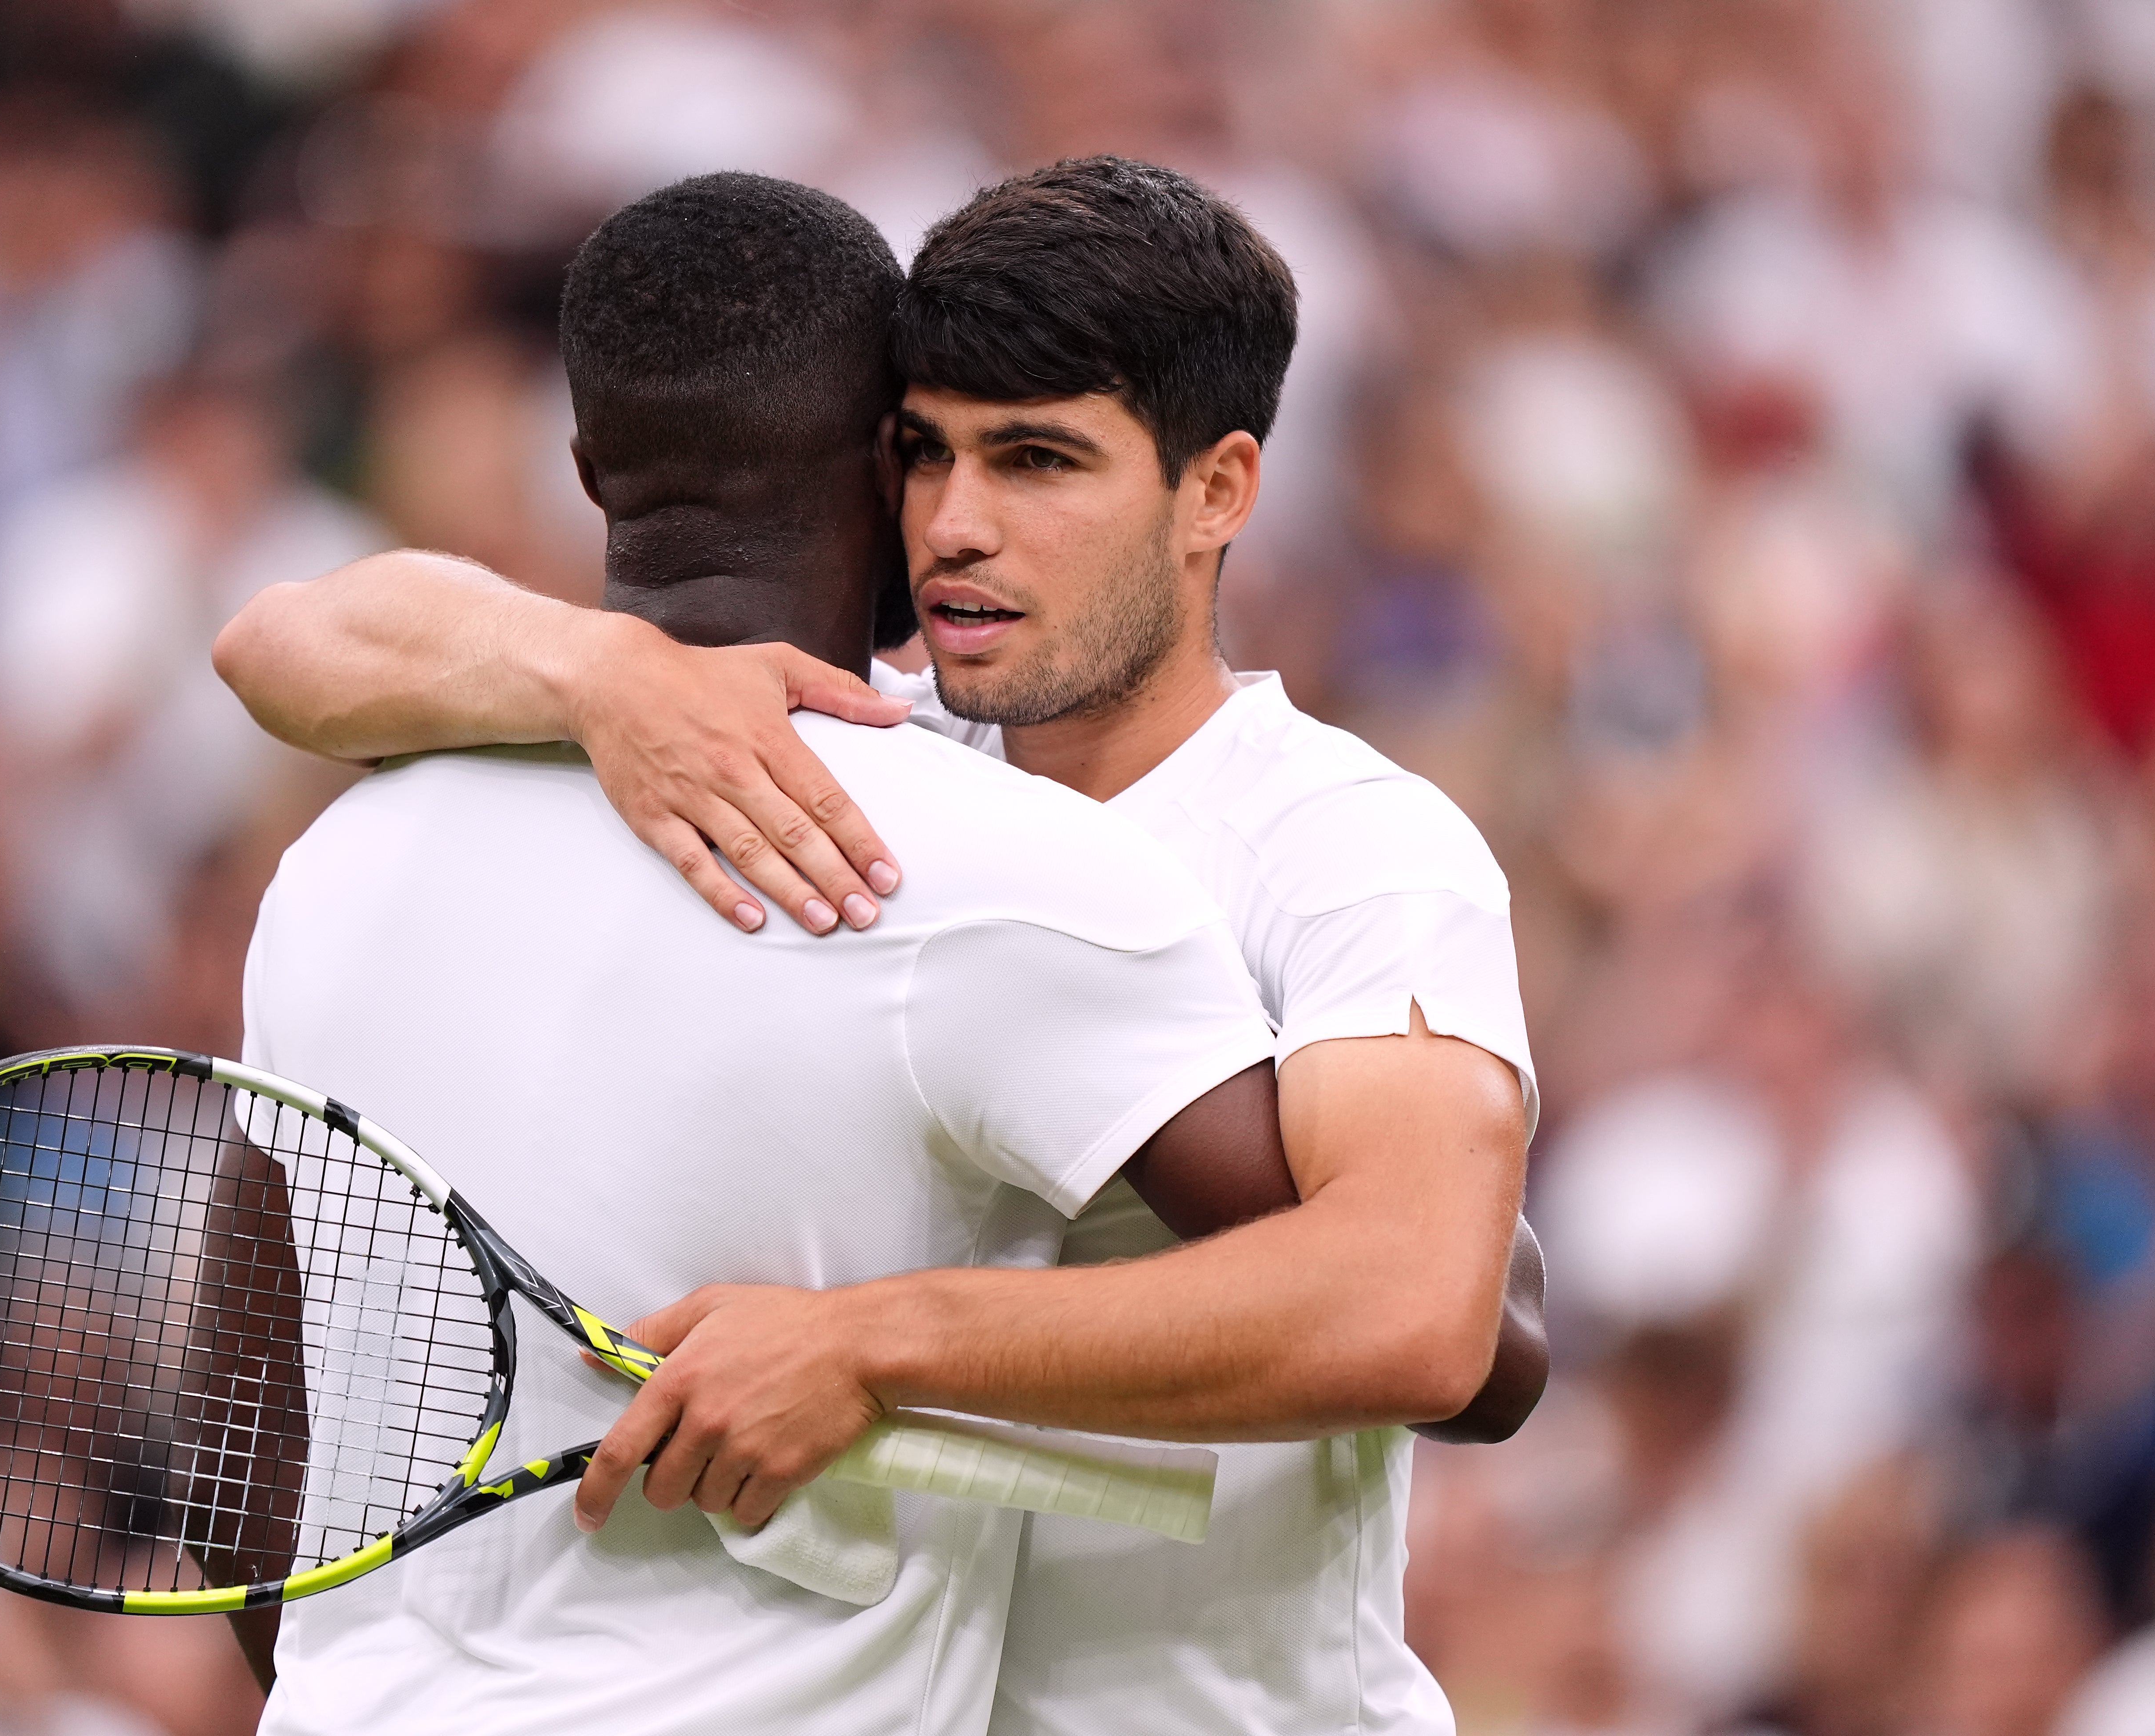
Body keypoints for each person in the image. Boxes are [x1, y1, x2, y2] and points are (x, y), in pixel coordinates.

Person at [219, 157, 1541, 1735]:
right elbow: (281, 640)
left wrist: (865, 1345)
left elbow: (1425, 1315)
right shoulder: (825, 760)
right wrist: (597, 674)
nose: (961, 528)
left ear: (1219, 491)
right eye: (926, 456)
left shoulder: (1353, 851)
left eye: (1041, 462)